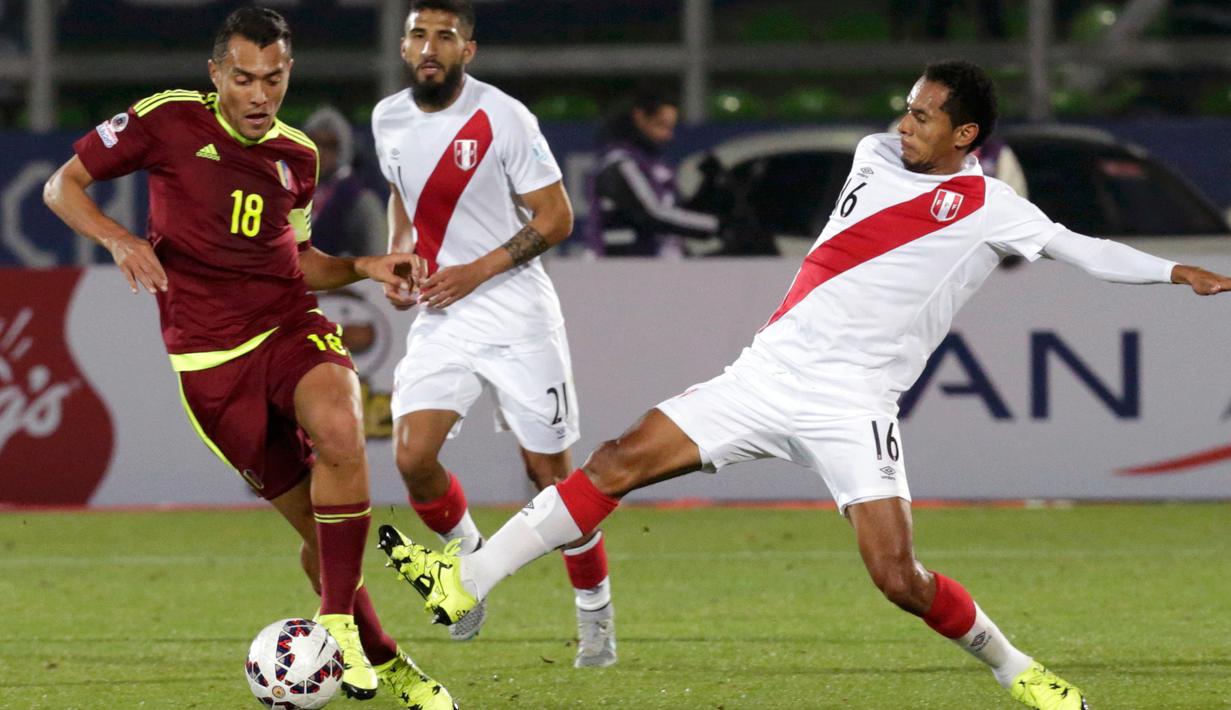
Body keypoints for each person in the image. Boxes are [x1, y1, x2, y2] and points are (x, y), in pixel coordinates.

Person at [378, 59, 1231, 708]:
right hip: (765, 372)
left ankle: (1019, 672)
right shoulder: (872, 152)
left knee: (897, 578)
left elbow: (1082, 249)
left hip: (851, 403)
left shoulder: (993, 209)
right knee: (613, 460)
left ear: (966, 136)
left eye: (926, 115)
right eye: (907, 106)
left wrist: (1171, 273)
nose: (905, 123)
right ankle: (466, 580)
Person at [41, 8, 454, 709]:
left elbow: (299, 262)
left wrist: (365, 264)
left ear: (287, 73)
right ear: (215, 76)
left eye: (274, 78)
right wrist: (117, 238)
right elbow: (62, 186)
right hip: (208, 363)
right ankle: (387, 660)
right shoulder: (167, 120)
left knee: (341, 430)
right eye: (243, 79)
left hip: (286, 324)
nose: (260, 94)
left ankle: (336, 630)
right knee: (319, 540)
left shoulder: (297, 155)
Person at [371, 0, 617, 667]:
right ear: (403, 47)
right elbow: (400, 193)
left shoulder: (503, 117)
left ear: (466, 51)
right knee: (411, 458)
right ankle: (470, 562)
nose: (430, 46)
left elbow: (557, 216)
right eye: (419, 34)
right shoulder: (386, 117)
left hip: (515, 313)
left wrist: (475, 271)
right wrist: (398, 255)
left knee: (551, 480)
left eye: (444, 36)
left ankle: (594, 614)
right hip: (442, 314)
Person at [583, 89, 722, 257]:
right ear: (640, 117)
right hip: (623, 267)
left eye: (671, 128)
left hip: (659, 265)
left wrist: (708, 188)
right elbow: (652, 214)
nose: (668, 136)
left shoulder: (654, 165)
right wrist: (715, 225)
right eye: (661, 125)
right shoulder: (619, 163)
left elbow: (676, 211)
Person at [303, 106, 388, 258]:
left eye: (329, 145)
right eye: (314, 142)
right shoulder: (293, 194)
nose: (320, 152)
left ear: (343, 148)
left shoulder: (360, 200)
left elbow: (376, 259)